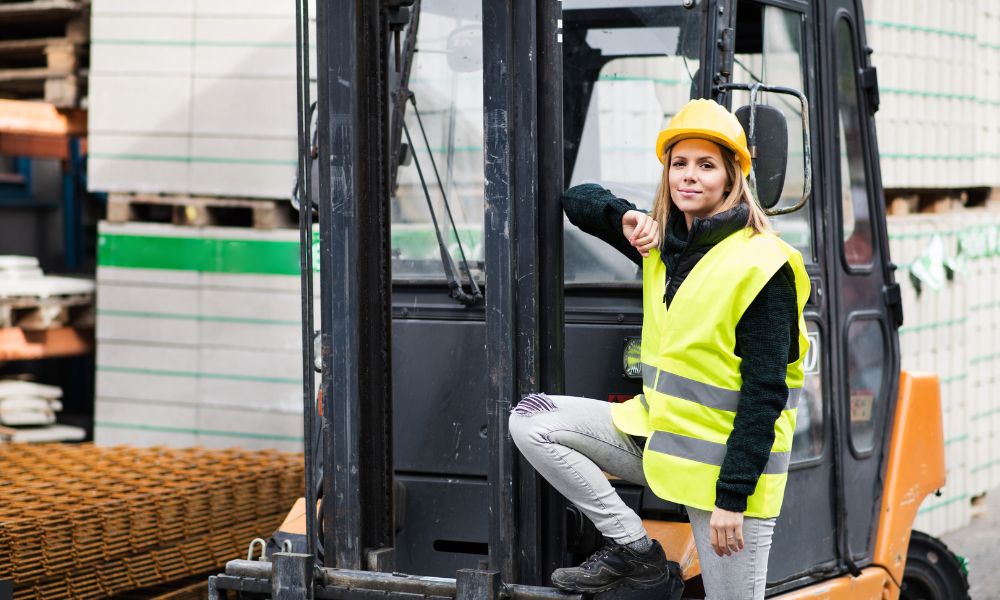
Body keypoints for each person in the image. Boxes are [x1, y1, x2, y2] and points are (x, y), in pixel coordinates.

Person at [508, 98, 810, 600]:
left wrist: (732, 499)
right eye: (679, 164)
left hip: (728, 475)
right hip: (660, 438)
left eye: (706, 165)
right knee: (532, 420)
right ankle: (634, 549)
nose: (689, 176)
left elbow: (765, 394)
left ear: (733, 176)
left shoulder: (763, 266)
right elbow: (575, 199)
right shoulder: (662, 243)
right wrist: (625, 215)